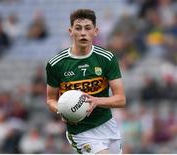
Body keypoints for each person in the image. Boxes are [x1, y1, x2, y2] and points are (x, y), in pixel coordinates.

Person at [45, 9, 126, 154]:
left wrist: (97, 101)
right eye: (78, 28)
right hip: (81, 132)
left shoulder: (107, 59)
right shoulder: (56, 64)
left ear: (95, 31)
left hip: (107, 125)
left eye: (88, 28)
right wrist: (61, 110)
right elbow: (51, 99)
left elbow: (121, 99)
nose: (83, 33)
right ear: (70, 31)